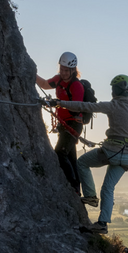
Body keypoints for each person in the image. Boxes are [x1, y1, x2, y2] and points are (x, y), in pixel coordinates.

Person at [49, 74, 128, 234]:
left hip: (110, 151)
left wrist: (59, 103)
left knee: (82, 163)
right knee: (108, 188)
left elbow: (85, 107)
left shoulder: (112, 105)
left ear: (115, 90)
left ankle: (90, 196)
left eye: (112, 88)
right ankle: (102, 224)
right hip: (127, 157)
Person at [36, 52, 84, 194]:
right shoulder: (58, 80)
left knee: (60, 152)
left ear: (73, 70)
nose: (63, 72)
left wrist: (57, 103)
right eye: (61, 69)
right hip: (64, 124)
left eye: (66, 70)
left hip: (74, 124)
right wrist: (31, 72)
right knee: (70, 157)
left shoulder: (76, 86)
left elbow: (76, 106)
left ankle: (72, 186)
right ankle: (76, 190)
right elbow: (44, 84)